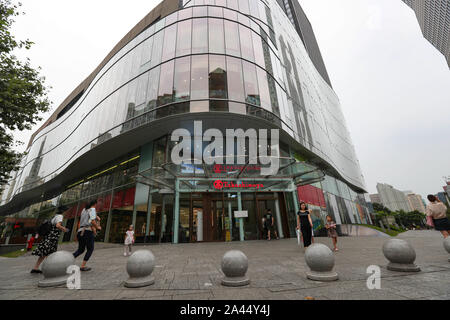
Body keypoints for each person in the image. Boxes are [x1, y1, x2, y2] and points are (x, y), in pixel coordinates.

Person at [30, 206, 70, 273]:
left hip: (49, 236)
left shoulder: (55, 216)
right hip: (52, 237)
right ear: (64, 211)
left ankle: (36, 267)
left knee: (45, 253)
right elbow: (58, 225)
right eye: (66, 211)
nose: (67, 212)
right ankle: (49, 268)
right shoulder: (60, 216)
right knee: (50, 253)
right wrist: (64, 229)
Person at [73, 200, 100, 271]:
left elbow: (88, 218)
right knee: (90, 249)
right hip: (87, 232)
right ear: (95, 204)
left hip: (80, 231)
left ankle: (67, 260)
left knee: (80, 250)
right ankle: (82, 266)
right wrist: (98, 227)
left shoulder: (84, 210)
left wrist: (96, 216)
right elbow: (92, 221)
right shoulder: (93, 209)